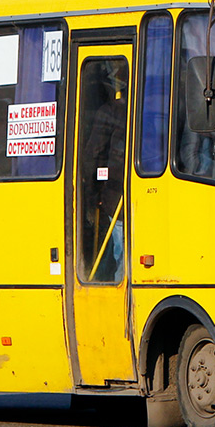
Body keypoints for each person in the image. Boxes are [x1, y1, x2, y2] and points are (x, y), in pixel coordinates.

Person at [84, 69, 127, 281]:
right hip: (116, 198)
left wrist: (93, 196)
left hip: (114, 198)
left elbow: (93, 155)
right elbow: (95, 157)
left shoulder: (110, 112)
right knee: (119, 256)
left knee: (118, 255)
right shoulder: (146, 112)